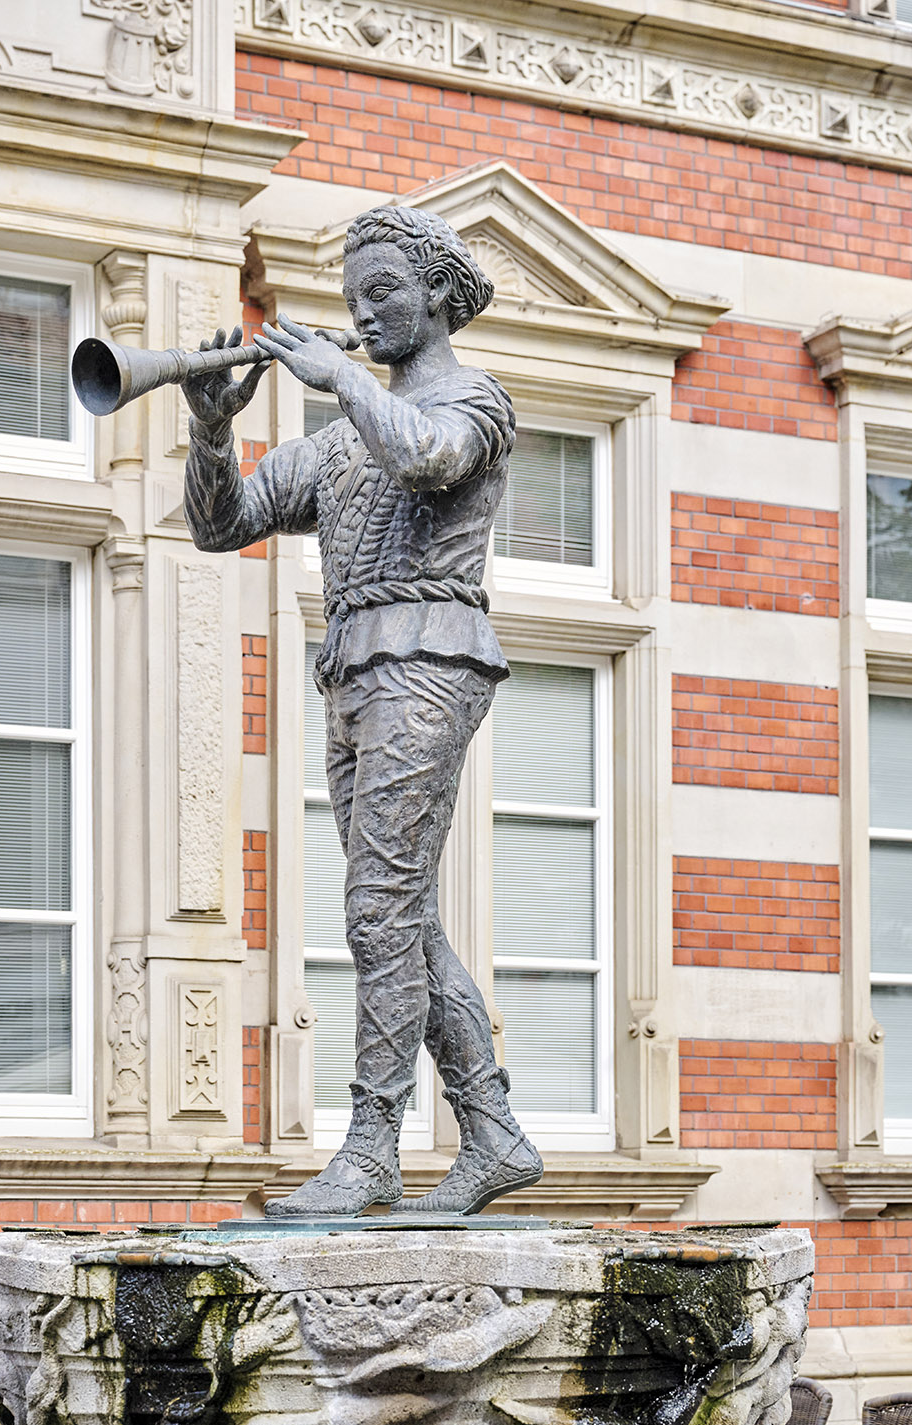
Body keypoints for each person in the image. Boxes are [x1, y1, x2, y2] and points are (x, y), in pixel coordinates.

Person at [182, 204, 543, 1217]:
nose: (361, 313)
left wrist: (340, 375)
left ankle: (372, 1149)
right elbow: (222, 525)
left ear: (434, 295)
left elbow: (429, 458)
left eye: (380, 292)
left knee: (376, 908)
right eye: (350, 298)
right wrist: (211, 426)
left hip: (430, 656)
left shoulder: (475, 400)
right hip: (352, 670)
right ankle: (495, 1136)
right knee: (400, 917)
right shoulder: (335, 446)